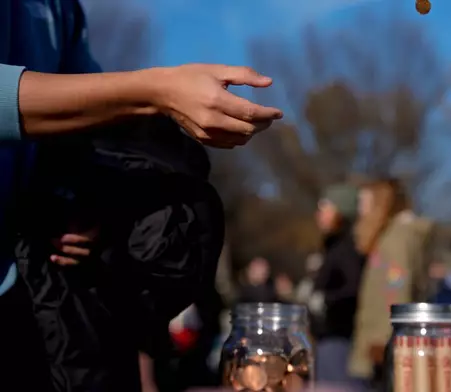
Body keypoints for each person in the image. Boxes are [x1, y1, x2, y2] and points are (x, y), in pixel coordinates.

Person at [0, 1, 282, 390]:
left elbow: (89, 126)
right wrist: (156, 90)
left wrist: (86, 205)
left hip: (44, 302)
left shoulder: (62, 8)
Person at [349, 179, 433, 388]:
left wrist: (386, 338)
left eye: (364, 201)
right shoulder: (390, 236)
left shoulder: (397, 238)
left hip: (385, 346)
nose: (360, 209)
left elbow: (397, 289)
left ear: (381, 203)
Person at [309, 184, 365, 383]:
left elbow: (355, 289)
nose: (319, 214)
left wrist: (325, 301)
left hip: (340, 338)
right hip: (328, 336)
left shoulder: (347, 248)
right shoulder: (332, 246)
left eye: (325, 208)